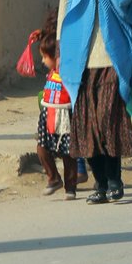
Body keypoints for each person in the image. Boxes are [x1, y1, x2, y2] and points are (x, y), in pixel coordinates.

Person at [56, 0, 132, 205]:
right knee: (86, 123)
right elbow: (65, 6)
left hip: (112, 53)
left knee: (109, 118)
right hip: (81, 55)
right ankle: (99, 183)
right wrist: (59, 48)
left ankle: (115, 178)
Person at [34, 13, 78, 200]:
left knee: (68, 153)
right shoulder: (52, 72)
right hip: (48, 112)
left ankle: (70, 187)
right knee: (42, 148)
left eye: (45, 57)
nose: (43, 61)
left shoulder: (66, 71)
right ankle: (53, 178)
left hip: (66, 113)